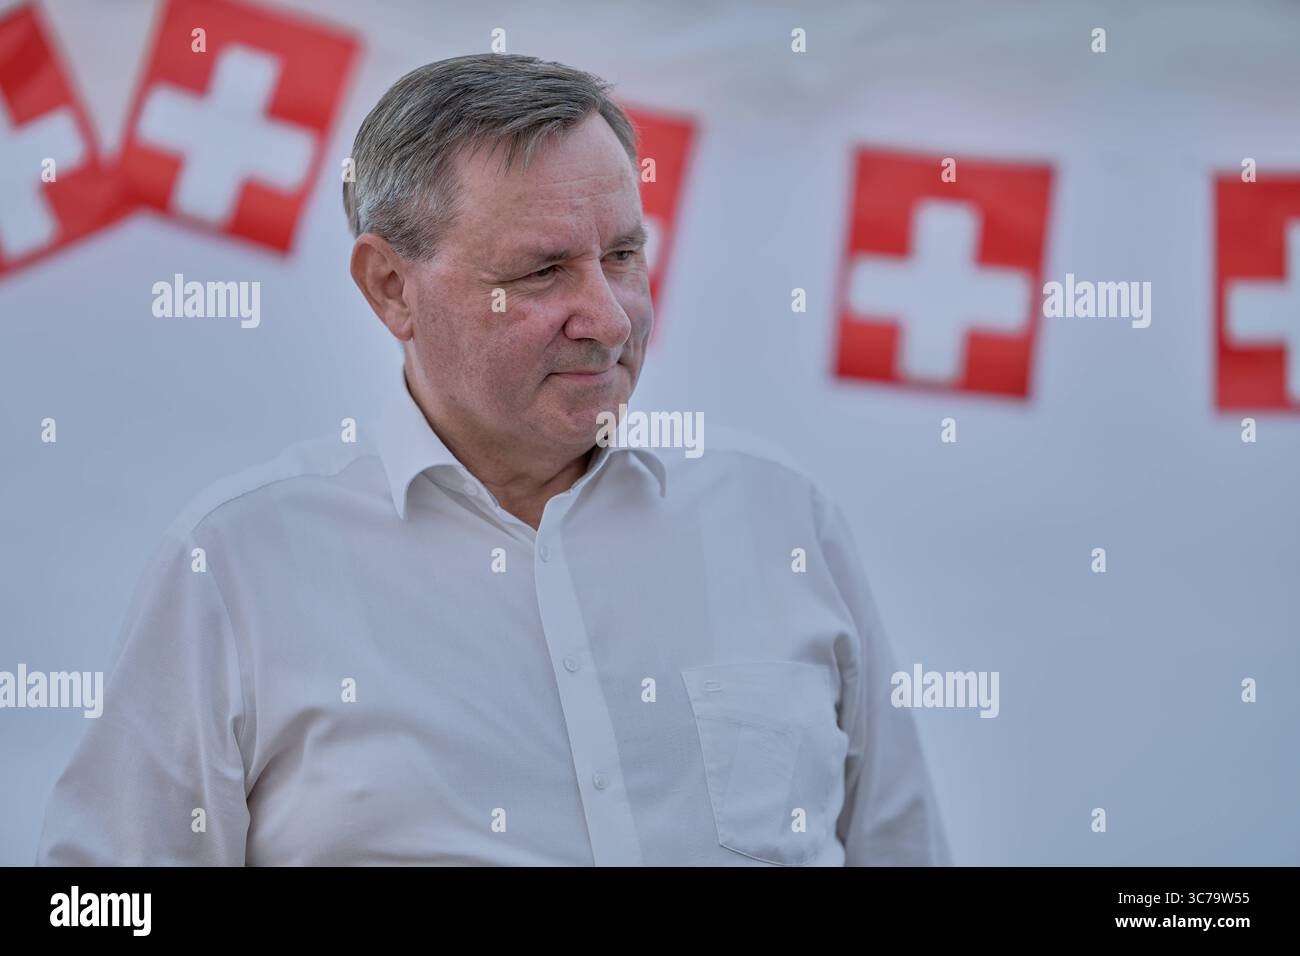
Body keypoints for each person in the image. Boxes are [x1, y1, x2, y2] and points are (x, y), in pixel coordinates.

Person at [36, 53, 949, 866]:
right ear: (390, 287)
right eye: (542, 272)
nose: (611, 316)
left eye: (624, 254)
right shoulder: (235, 567)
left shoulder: (780, 523)